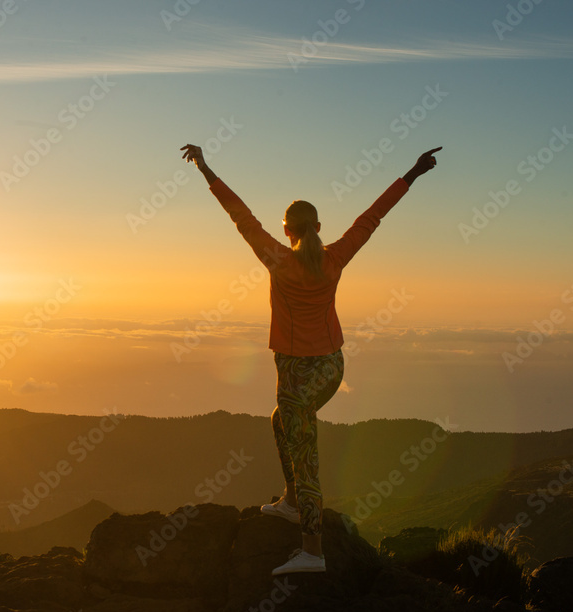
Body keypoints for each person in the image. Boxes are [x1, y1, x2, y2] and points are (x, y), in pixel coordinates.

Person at [180, 142, 441, 574]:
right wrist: (411, 173)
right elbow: (371, 218)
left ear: (287, 231)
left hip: (297, 374)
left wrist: (206, 169)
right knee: (280, 423)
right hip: (332, 367)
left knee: (306, 456)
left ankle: (313, 551)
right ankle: (292, 501)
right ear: (318, 226)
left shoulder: (277, 259)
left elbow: (240, 215)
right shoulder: (335, 257)